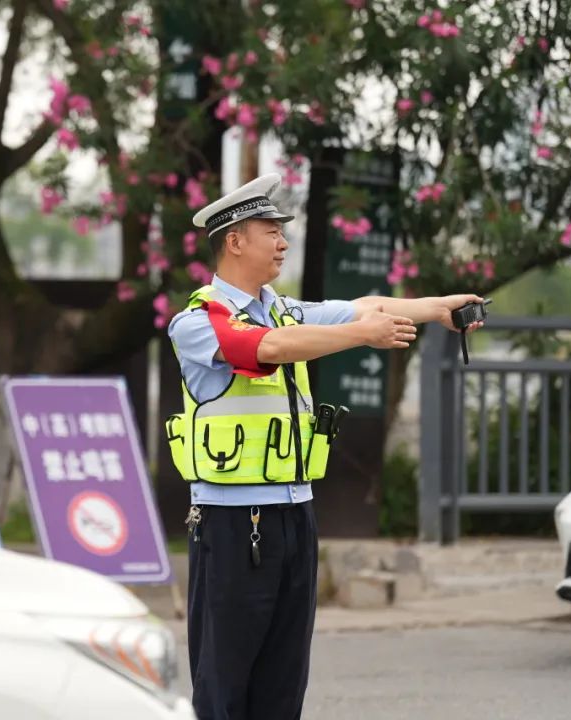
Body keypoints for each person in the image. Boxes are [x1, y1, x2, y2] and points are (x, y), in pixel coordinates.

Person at [165, 173, 483, 720]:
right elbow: (269, 347)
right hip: (232, 523)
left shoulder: (284, 308)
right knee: (224, 684)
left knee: (283, 683)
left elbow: (362, 304)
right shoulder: (197, 321)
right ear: (235, 240)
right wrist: (363, 334)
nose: (284, 242)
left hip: (294, 516)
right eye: (272, 231)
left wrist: (436, 308)